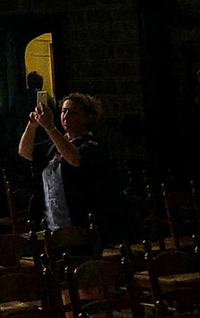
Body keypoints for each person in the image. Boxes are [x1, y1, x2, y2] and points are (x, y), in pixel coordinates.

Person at [17, 92, 128, 243]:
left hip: (82, 224)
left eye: (73, 113)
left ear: (88, 117)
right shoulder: (53, 145)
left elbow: (75, 159)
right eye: (63, 112)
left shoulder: (93, 145)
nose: (66, 117)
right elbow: (25, 152)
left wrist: (50, 127)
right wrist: (32, 125)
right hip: (51, 223)